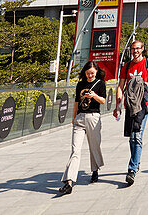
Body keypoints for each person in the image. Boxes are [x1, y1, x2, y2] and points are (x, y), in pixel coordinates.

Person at [58, 61, 106, 195]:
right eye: (87, 73)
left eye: (92, 73)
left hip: (93, 117)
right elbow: (76, 103)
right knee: (75, 150)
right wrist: (74, 118)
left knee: (94, 146)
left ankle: (95, 170)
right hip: (80, 118)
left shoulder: (100, 83)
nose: (90, 75)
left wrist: (94, 96)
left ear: (96, 71)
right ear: (84, 72)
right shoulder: (80, 84)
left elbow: (103, 100)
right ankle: (69, 182)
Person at [115, 39, 148, 186]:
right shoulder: (126, 67)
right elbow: (120, 86)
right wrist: (117, 105)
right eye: (133, 49)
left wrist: (140, 83)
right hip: (129, 106)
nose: (135, 51)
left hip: (143, 105)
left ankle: (132, 169)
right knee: (131, 137)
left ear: (142, 49)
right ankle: (136, 162)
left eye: (138, 48)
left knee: (137, 136)